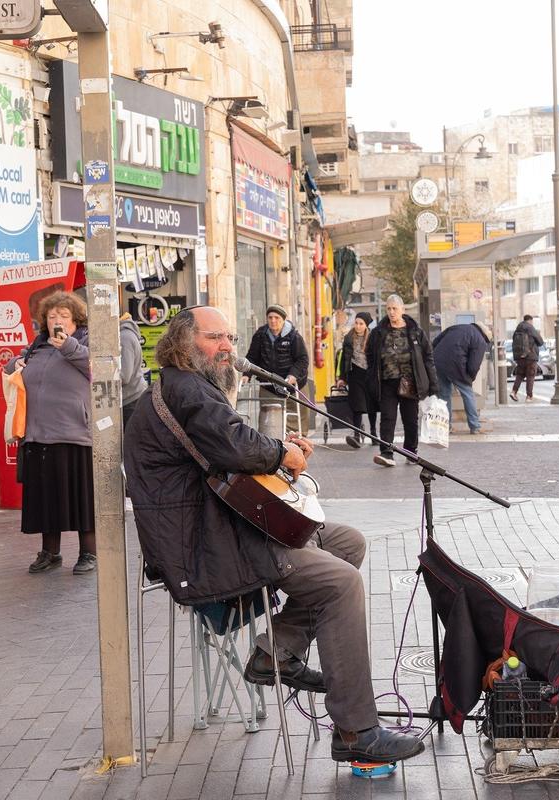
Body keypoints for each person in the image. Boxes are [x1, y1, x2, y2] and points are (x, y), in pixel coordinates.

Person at [124, 306, 424, 765]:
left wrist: (279, 452)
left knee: (346, 543)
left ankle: (274, 654)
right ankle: (355, 731)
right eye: (214, 338)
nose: (227, 346)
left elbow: (230, 444)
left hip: (219, 529)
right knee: (340, 584)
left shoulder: (191, 387)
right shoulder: (187, 389)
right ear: (183, 344)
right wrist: (283, 453)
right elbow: (239, 447)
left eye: (230, 336)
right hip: (206, 547)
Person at [4, 292, 97, 575]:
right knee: (47, 499)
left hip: (74, 433)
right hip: (38, 433)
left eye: (64, 316)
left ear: (76, 319)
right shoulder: (38, 346)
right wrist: (14, 365)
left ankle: (88, 553)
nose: (57, 321)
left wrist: (67, 346)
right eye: (51, 316)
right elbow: (13, 367)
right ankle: (50, 553)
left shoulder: (84, 343)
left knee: (81, 499)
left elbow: (97, 368)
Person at [364, 295, 438, 467]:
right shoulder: (378, 333)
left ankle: (411, 452)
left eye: (394, 308)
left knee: (410, 419)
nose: (391, 312)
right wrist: (371, 378)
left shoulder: (415, 331)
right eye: (388, 309)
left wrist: (433, 385)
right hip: (387, 382)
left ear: (402, 310)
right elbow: (369, 355)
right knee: (388, 418)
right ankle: (387, 453)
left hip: (410, 381)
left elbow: (428, 357)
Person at [245, 304, 310, 436]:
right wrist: (247, 374)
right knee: (269, 421)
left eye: (277, 318)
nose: (273, 321)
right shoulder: (260, 335)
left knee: (296, 424)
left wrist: (293, 375)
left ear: (283, 319)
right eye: (270, 317)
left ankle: (298, 446)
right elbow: (252, 357)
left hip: (292, 385)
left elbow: (302, 359)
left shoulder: (294, 336)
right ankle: (270, 446)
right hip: (269, 385)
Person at [335, 311, 377, 448]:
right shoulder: (348, 338)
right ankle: (357, 435)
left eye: (361, 324)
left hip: (370, 375)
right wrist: (342, 378)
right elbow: (343, 360)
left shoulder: (373, 338)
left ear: (366, 325)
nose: (358, 326)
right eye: (356, 323)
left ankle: (374, 434)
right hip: (354, 375)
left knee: (371, 405)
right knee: (357, 407)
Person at [119, 310, 147, 430]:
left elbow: (125, 376)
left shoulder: (124, 337)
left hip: (130, 400)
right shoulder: (126, 334)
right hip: (131, 398)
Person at [510, 314, 545, 402]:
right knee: (530, 375)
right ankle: (529, 396)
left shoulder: (517, 329)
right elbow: (540, 341)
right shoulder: (530, 328)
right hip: (530, 356)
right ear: (530, 320)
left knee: (520, 375)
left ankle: (514, 392)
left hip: (519, 357)